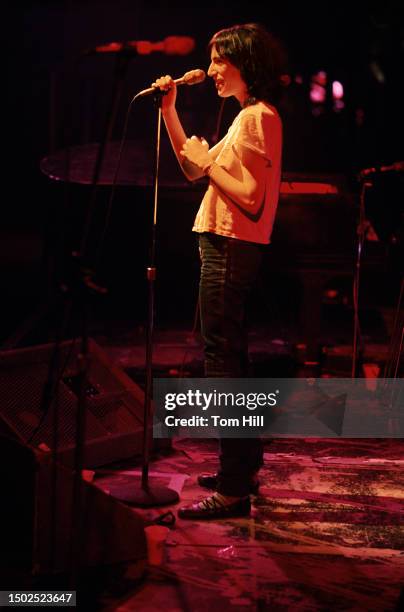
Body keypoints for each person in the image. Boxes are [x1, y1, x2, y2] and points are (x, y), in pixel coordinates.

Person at [152, 23, 287, 519]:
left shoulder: (256, 117)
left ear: (243, 63)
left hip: (230, 246)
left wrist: (208, 164)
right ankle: (242, 468)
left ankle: (232, 487)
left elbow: (249, 198)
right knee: (232, 357)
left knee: (222, 363)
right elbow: (194, 169)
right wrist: (170, 113)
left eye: (217, 62)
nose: (210, 71)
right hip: (225, 245)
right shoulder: (248, 116)